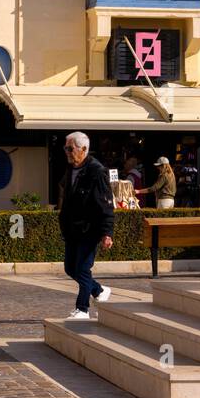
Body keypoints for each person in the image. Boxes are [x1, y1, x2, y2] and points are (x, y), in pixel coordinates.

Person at [58, 131, 114, 321]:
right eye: (65, 148)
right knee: (70, 268)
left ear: (83, 149)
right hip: (72, 229)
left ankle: (82, 309)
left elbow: (106, 203)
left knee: (82, 268)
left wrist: (107, 233)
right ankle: (98, 290)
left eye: (70, 148)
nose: (66, 152)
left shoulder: (96, 171)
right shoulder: (70, 168)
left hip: (90, 228)